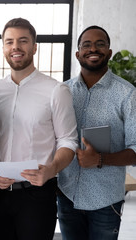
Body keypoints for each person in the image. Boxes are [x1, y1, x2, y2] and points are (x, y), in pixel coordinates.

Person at [0, 18, 78, 240]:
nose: (15, 47)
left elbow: (68, 140)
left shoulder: (56, 90)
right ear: (4, 48)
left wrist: (52, 168)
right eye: (9, 42)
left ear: (34, 47)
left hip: (37, 194)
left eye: (22, 41)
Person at [57, 26, 136, 240]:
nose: (93, 48)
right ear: (78, 53)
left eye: (100, 44)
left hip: (105, 201)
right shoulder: (63, 92)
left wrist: (100, 159)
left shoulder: (127, 94)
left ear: (109, 52)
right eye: (87, 44)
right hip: (67, 195)